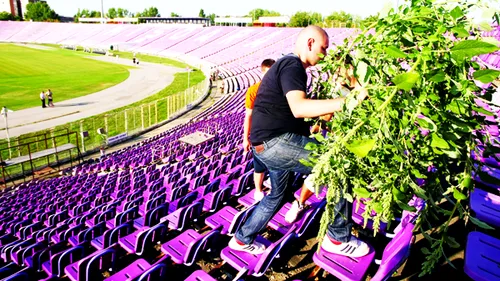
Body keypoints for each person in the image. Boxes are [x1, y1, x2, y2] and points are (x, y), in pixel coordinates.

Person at [228, 25, 369, 258]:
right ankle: (337, 238)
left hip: (266, 146)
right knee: (338, 167)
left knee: (277, 195)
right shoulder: (292, 65)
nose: (325, 53)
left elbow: (294, 109)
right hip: (276, 144)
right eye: (323, 48)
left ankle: (242, 240)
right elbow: (299, 107)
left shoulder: (287, 66)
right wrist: (351, 99)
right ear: (310, 43)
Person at [243, 58, 276, 201]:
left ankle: (274, 185)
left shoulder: (280, 88)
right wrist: (245, 138)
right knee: (259, 165)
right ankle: (258, 190)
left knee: (277, 162)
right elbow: (248, 116)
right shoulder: (253, 90)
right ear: (262, 73)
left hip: (276, 133)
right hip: (260, 134)